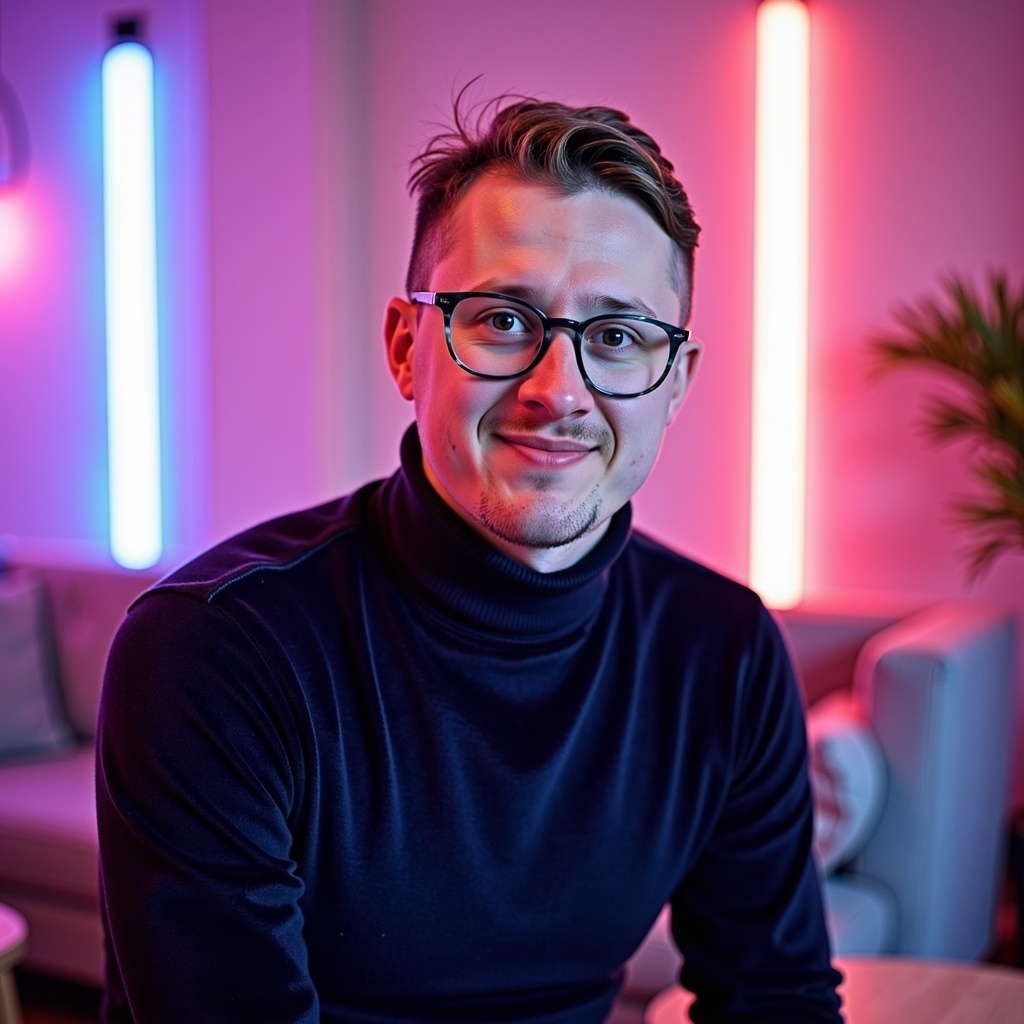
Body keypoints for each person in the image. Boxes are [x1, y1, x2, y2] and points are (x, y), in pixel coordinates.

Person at [96, 94, 842, 1023]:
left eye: (616, 337)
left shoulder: (719, 650)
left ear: (675, 385)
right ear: (409, 350)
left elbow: (777, 999)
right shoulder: (218, 650)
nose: (557, 391)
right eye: (502, 320)